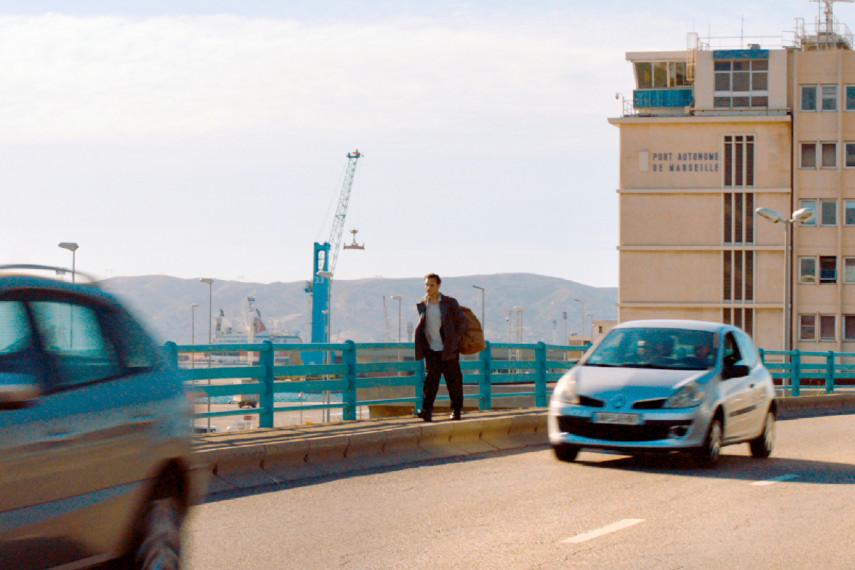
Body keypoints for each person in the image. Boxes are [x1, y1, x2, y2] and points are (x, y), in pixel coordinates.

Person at [414, 273, 466, 422]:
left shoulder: (450, 303)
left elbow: (462, 323)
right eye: (426, 285)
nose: (428, 288)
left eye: (431, 285)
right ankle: (426, 411)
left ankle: (456, 411)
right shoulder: (423, 304)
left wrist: (454, 341)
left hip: (448, 350)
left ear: (438, 286)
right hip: (432, 350)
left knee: (454, 382)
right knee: (430, 383)